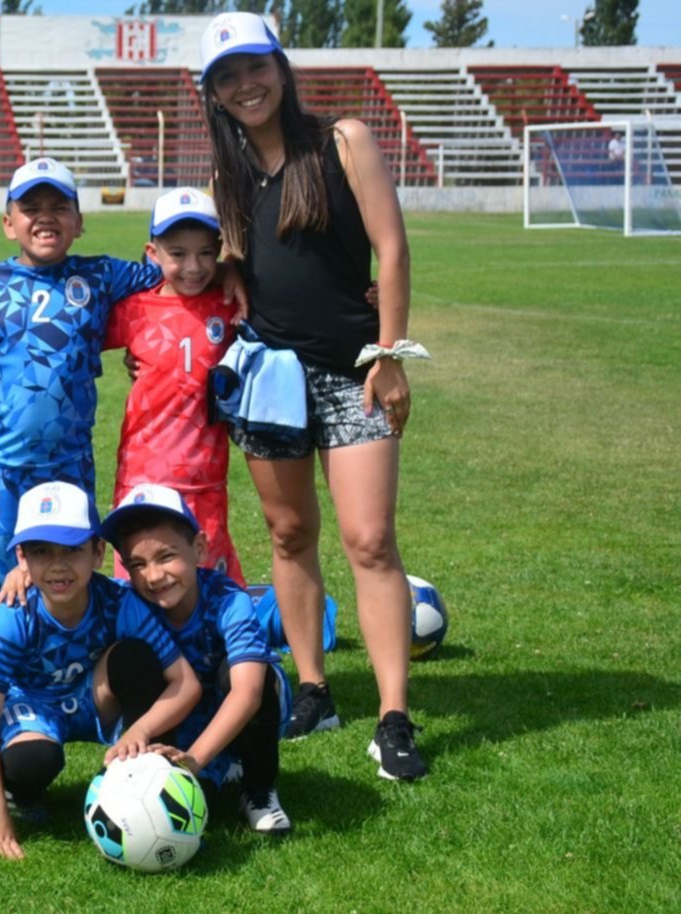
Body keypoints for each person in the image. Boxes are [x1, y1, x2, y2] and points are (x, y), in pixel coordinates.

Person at [199, 13, 427, 780]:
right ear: (215, 93)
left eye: (255, 67)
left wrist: (389, 356)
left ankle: (394, 716)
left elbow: (390, 250)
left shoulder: (343, 141)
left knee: (370, 539)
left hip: (353, 371)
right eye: (227, 76)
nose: (245, 85)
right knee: (290, 535)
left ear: (281, 68)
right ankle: (313, 688)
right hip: (271, 379)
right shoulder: (224, 178)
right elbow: (225, 266)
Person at [0, 157, 162, 616]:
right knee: (0, 587)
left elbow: (173, 270)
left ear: (78, 222)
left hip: (68, 463)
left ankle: (63, 666)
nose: (45, 215)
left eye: (59, 206)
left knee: (68, 578)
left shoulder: (101, 275)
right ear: (8, 224)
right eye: (31, 207)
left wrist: (229, 273)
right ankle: (0, 671)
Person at [0, 481, 200, 859]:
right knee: (32, 763)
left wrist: (140, 731)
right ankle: (20, 793)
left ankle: (147, 778)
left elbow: (185, 683)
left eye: (72, 550)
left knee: (135, 658)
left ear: (98, 552)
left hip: (94, 696)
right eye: (42, 552)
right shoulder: (10, 613)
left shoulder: (120, 601)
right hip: (34, 707)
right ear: (21, 558)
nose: (57, 565)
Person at [101, 484, 293, 834]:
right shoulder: (128, 601)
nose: (154, 575)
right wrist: (23, 574)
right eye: (138, 564)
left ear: (199, 549)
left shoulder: (229, 601)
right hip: (184, 717)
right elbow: (77, 587)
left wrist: (196, 758)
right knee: (133, 657)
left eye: (166, 556)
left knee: (251, 677)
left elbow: (247, 693)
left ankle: (258, 787)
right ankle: (158, 774)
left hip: (242, 706)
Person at [104, 188, 243, 585]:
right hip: (142, 477)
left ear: (218, 249)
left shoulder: (229, 303)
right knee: (140, 585)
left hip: (206, 479)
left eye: (204, 253)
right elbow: (78, 340)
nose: (194, 267)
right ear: (153, 252)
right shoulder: (133, 310)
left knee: (206, 591)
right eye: (178, 254)